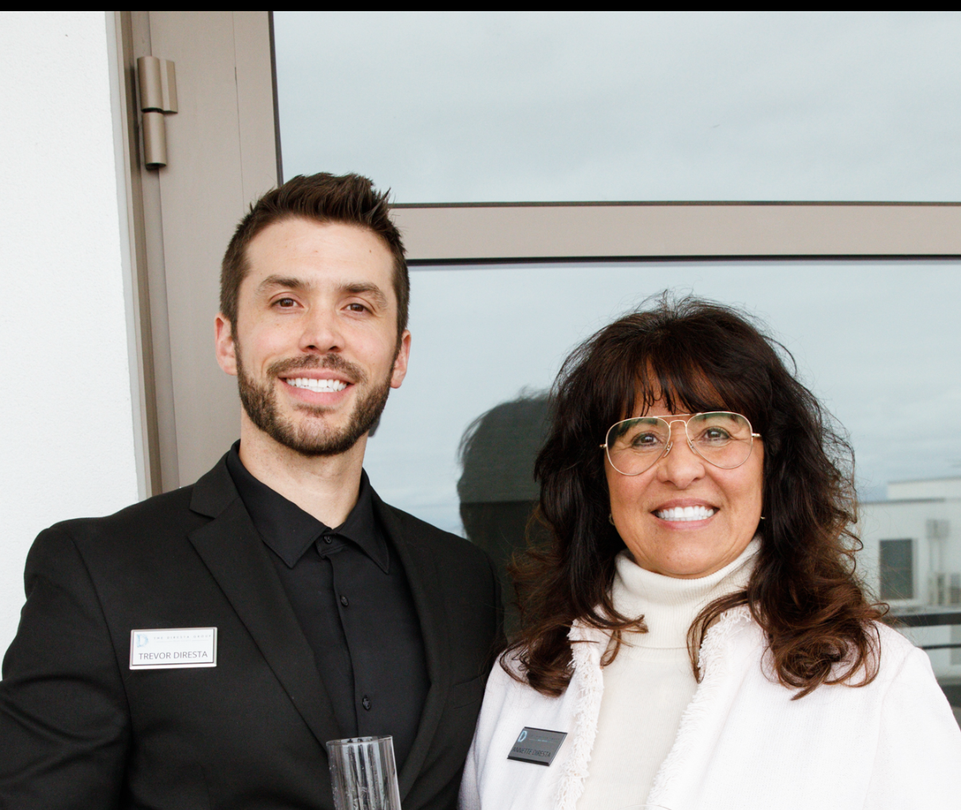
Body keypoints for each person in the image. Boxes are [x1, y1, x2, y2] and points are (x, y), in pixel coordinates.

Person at [0, 173, 502, 810]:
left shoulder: (466, 582)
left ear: (398, 356)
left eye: (357, 306)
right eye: (286, 302)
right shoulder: (99, 571)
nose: (322, 335)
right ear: (227, 340)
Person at [460, 296, 961, 810]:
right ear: (598, 477)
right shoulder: (525, 677)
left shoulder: (871, 677)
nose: (680, 470)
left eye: (716, 432)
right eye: (644, 437)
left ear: (772, 466)